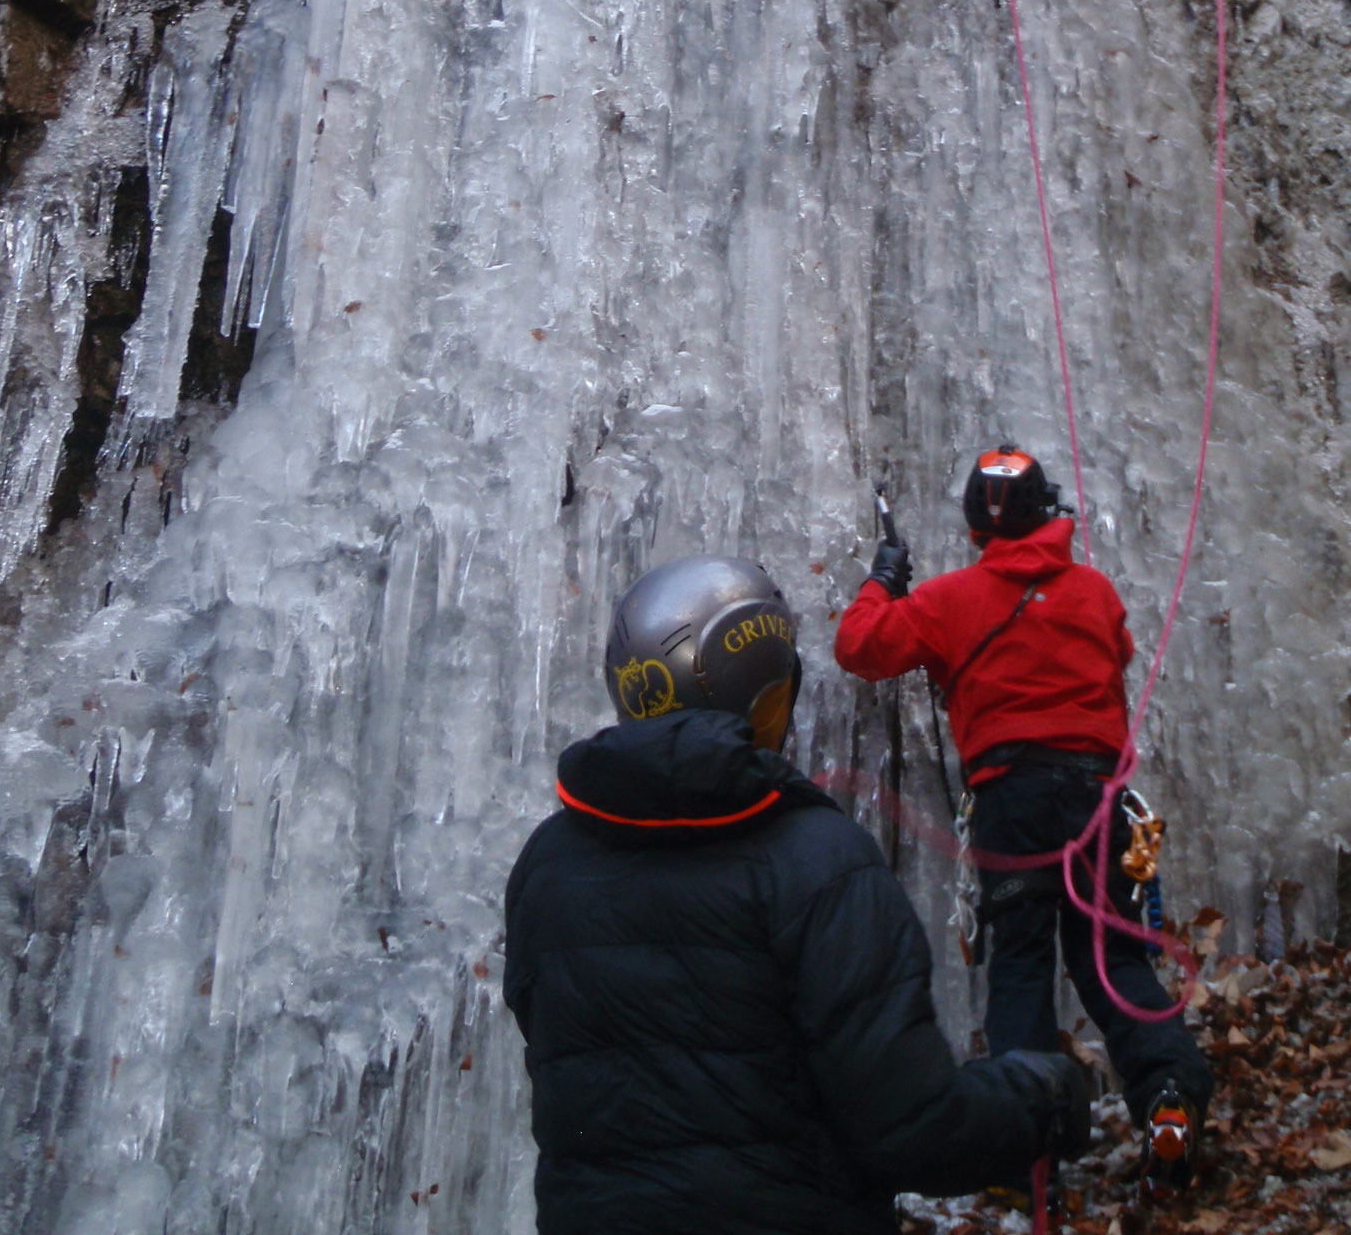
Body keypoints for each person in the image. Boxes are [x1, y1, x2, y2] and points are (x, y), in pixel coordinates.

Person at [503, 554, 1089, 1235]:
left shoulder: (547, 866)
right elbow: (913, 1127)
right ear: (763, 697)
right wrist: (1040, 1098)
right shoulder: (819, 863)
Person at [835, 446, 1213, 1198]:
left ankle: (1026, 1151)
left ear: (977, 525)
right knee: (1114, 963)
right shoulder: (1096, 592)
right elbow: (1116, 653)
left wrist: (883, 580)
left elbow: (860, 648)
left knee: (1019, 967)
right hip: (1097, 800)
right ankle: (1170, 1094)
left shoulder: (949, 601)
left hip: (1012, 801)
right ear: (1050, 512)